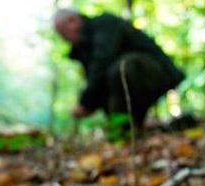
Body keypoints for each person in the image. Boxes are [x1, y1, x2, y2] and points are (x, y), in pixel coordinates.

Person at [54, 9, 184, 128]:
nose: (64, 39)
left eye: (63, 33)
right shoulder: (83, 50)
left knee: (121, 68)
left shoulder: (105, 24)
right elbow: (97, 82)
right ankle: (127, 127)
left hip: (158, 73)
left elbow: (102, 62)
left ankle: (127, 127)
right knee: (107, 79)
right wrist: (89, 103)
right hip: (131, 84)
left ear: (73, 20)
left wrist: (85, 102)